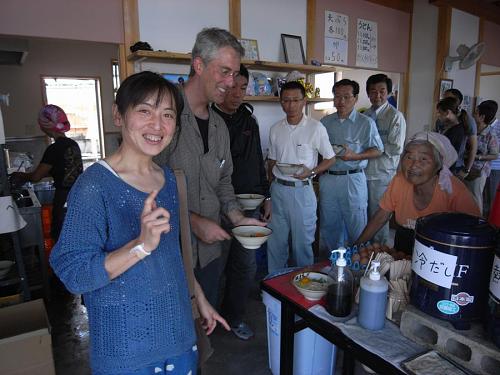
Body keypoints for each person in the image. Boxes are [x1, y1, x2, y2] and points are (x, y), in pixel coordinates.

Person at [49, 71, 229, 374]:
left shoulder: (168, 180)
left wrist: (198, 299)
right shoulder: (94, 186)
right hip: (126, 352)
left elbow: (174, 256)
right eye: (144, 111)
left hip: (180, 338)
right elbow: (74, 273)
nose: (157, 125)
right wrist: (140, 246)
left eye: (167, 114)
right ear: (118, 115)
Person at [155, 28, 265, 307]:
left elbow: (224, 183)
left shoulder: (218, 126)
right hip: (169, 251)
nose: (231, 83)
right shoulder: (164, 116)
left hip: (210, 253)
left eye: (235, 74)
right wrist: (191, 221)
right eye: (225, 72)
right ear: (199, 65)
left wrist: (238, 219)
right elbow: (145, 185)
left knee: (205, 327)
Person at [212, 64, 270, 340]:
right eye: (232, 86)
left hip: (249, 204)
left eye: (243, 87)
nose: (237, 93)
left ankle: (234, 317)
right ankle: (208, 320)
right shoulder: (209, 119)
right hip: (216, 205)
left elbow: (257, 159)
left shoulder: (249, 119)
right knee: (214, 264)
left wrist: (266, 195)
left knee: (245, 265)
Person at [355, 131, 480, 253]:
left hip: (439, 252)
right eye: (409, 157)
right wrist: (356, 246)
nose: (413, 165)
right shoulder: (399, 181)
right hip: (404, 245)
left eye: (424, 159)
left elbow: (475, 231)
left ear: (439, 164)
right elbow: (380, 217)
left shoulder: (453, 189)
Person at [266, 81, 335, 273]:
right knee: (275, 244)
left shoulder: (315, 128)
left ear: (304, 101)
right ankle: (275, 291)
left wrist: (312, 172)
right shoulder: (275, 129)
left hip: (302, 191)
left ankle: (303, 292)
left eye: (295, 100)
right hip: (278, 189)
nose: (290, 105)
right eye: (286, 100)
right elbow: (271, 162)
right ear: (280, 102)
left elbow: (330, 158)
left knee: (302, 246)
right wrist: (269, 196)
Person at [319, 79, 383, 251]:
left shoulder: (365, 123)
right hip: (329, 179)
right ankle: (330, 267)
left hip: (353, 178)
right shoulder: (324, 123)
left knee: (357, 227)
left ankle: (358, 268)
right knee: (329, 226)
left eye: (346, 97)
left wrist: (356, 156)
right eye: (337, 97)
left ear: (355, 98)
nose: (341, 101)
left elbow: (378, 150)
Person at [10, 104, 83, 241]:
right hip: (79, 196)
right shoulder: (73, 144)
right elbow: (66, 169)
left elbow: (36, 177)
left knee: (61, 236)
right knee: (76, 235)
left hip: (63, 198)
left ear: (46, 126)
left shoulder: (54, 149)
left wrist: (21, 175)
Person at [363, 74, 406, 244]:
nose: (377, 95)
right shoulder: (365, 115)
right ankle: (364, 253)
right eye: (373, 92)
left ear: (388, 93)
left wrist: (371, 150)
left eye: (382, 91)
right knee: (364, 216)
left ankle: (378, 258)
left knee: (379, 217)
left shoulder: (395, 116)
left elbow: (396, 147)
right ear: (368, 94)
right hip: (363, 173)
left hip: (381, 175)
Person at [464, 100, 499, 214]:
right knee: (465, 196)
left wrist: (477, 157)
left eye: (476, 113)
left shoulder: (490, 134)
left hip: (479, 171)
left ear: (482, 116)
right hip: (467, 167)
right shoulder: (471, 129)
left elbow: (494, 155)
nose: (473, 115)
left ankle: (477, 221)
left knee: (476, 197)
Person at [436, 88, 478, 179]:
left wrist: (467, 170)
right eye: (443, 98)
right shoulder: (442, 120)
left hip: (453, 167)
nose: (444, 100)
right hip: (441, 165)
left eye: (447, 98)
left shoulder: (465, 122)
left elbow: (473, 147)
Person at [436, 97, 467, 174]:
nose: (438, 115)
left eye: (440, 112)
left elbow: (445, 150)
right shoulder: (447, 125)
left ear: (447, 113)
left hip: (447, 169)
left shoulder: (457, 130)